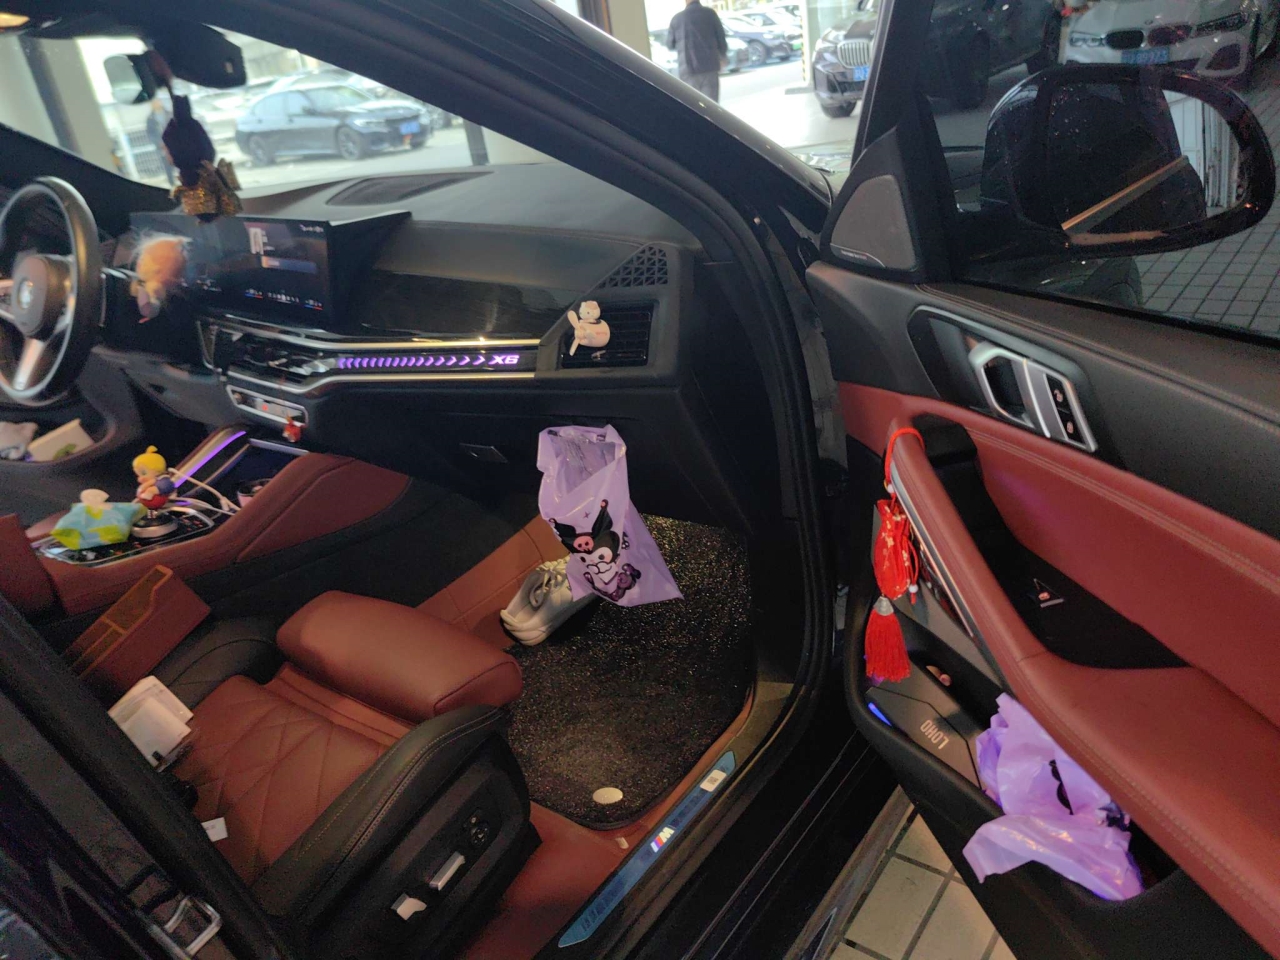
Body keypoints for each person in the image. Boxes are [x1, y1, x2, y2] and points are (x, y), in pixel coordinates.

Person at [667, 0, 728, 102]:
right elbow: (721, 39)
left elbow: (670, 44)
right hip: (710, 68)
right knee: (711, 105)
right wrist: (723, 56)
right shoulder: (710, 14)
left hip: (687, 69)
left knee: (692, 105)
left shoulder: (677, 19)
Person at [145, 98, 176, 187]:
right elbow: (150, 133)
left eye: (157, 101)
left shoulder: (169, 114)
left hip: (174, 144)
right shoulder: (150, 119)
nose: (156, 104)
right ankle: (172, 184)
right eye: (154, 103)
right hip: (162, 147)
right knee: (167, 165)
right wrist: (159, 143)